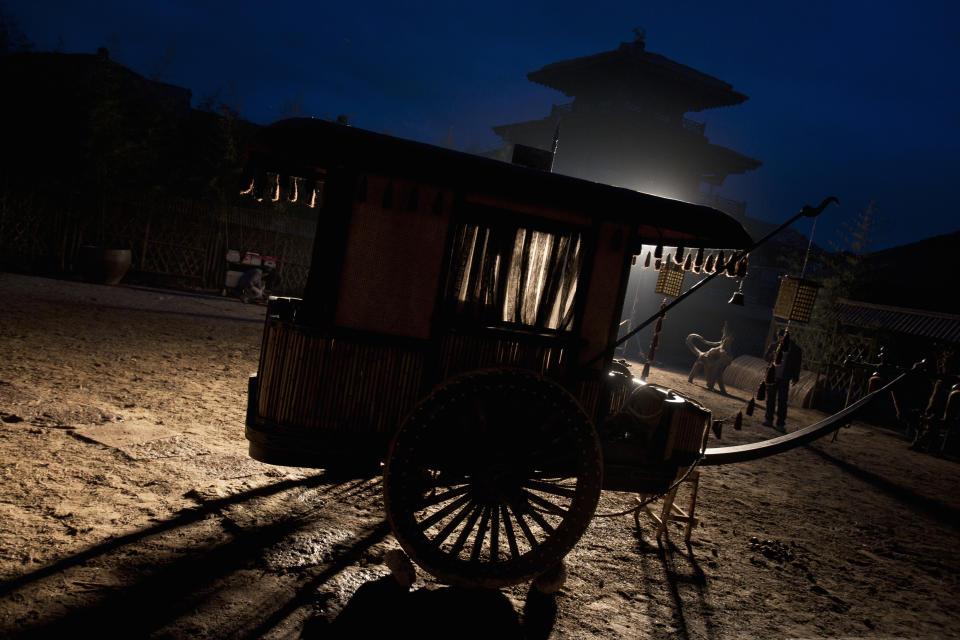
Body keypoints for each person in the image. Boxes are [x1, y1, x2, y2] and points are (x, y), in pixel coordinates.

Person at [763, 328, 803, 431]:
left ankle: (780, 423)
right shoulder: (774, 346)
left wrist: (795, 377)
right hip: (773, 377)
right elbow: (766, 358)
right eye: (779, 337)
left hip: (784, 378)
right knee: (770, 399)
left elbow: (797, 365)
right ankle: (769, 419)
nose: (780, 339)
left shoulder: (795, 349)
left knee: (782, 401)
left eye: (782, 337)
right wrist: (772, 355)